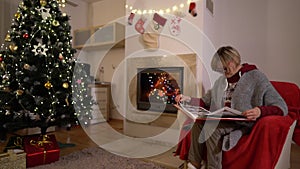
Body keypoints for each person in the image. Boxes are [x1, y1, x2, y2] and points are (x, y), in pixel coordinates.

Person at [175, 46, 288, 169]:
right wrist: (188, 100)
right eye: (220, 70)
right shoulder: (221, 81)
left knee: (212, 128)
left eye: (224, 68)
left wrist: (259, 111)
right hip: (223, 120)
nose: (223, 73)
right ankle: (194, 164)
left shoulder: (256, 77)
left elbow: (280, 106)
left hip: (243, 123)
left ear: (233, 62)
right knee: (198, 124)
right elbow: (205, 102)